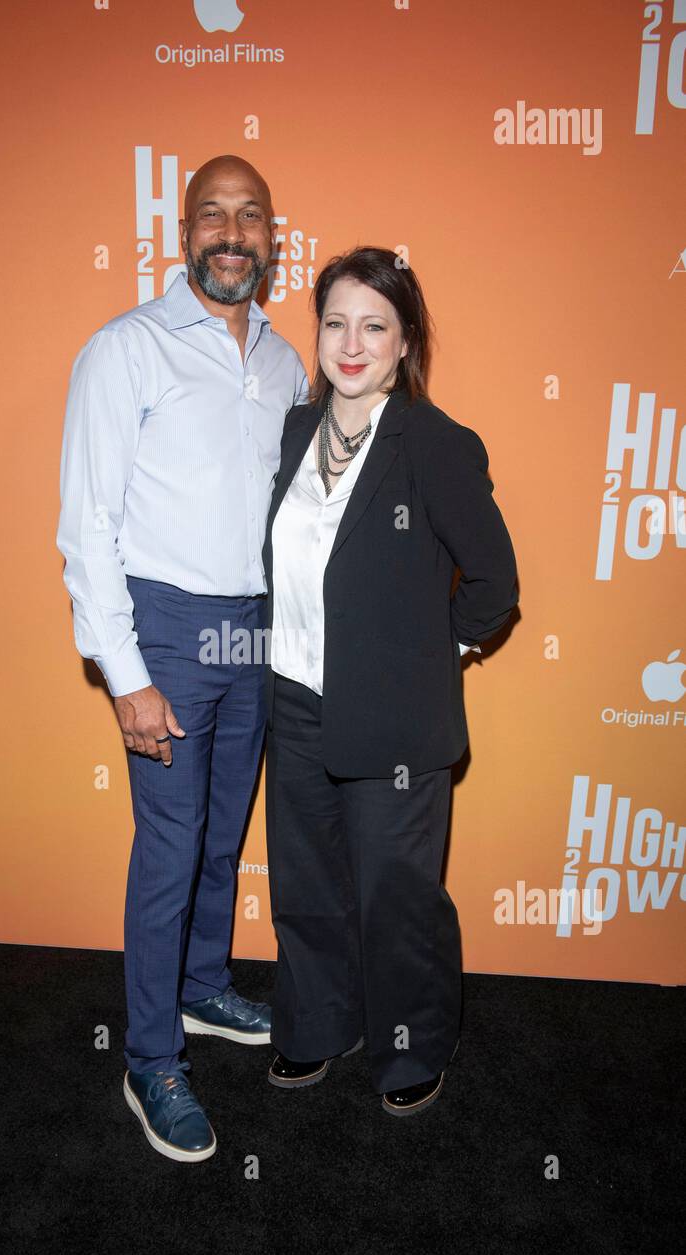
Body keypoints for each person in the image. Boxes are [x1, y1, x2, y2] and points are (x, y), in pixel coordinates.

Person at [56, 156, 309, 1162]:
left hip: (251, 627)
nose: (233, 232)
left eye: (251, 216)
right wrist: (125, 674)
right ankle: (150, 1057)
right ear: (183, 230)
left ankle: (202, 986)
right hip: (159, 621)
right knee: (167, 846)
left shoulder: (288, 362)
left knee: (219, 829)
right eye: (214, 214)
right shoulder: (126, 350)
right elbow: (86, 525)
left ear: (271, 238)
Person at [262, 246, 518, 1116]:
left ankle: (410, 1046)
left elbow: (494, 586)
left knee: (395, 895)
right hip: (293, 700)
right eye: (336, 322)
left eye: (375, 325)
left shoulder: (438, 446)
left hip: (398, 723)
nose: (352, 342)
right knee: (304, 884)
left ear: (405, 342)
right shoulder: (297, 432)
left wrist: (431, 658)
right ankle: (316, 1025)